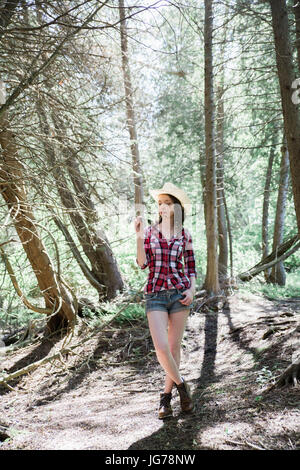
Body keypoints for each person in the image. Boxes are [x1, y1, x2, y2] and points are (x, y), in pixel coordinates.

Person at [134, 182, 197, 419]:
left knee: (173, 348)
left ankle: (166, 398)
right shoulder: (149, 232)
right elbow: (142, 264)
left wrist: (191, 290)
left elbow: (191, 267)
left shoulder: (185, 234)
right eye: (159, 203)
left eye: (166, 203)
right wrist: (139, 236)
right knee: (161, 348)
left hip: (179, 294)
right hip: (155, 294)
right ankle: (183, 388)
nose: (161, 207)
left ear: (177, 208)